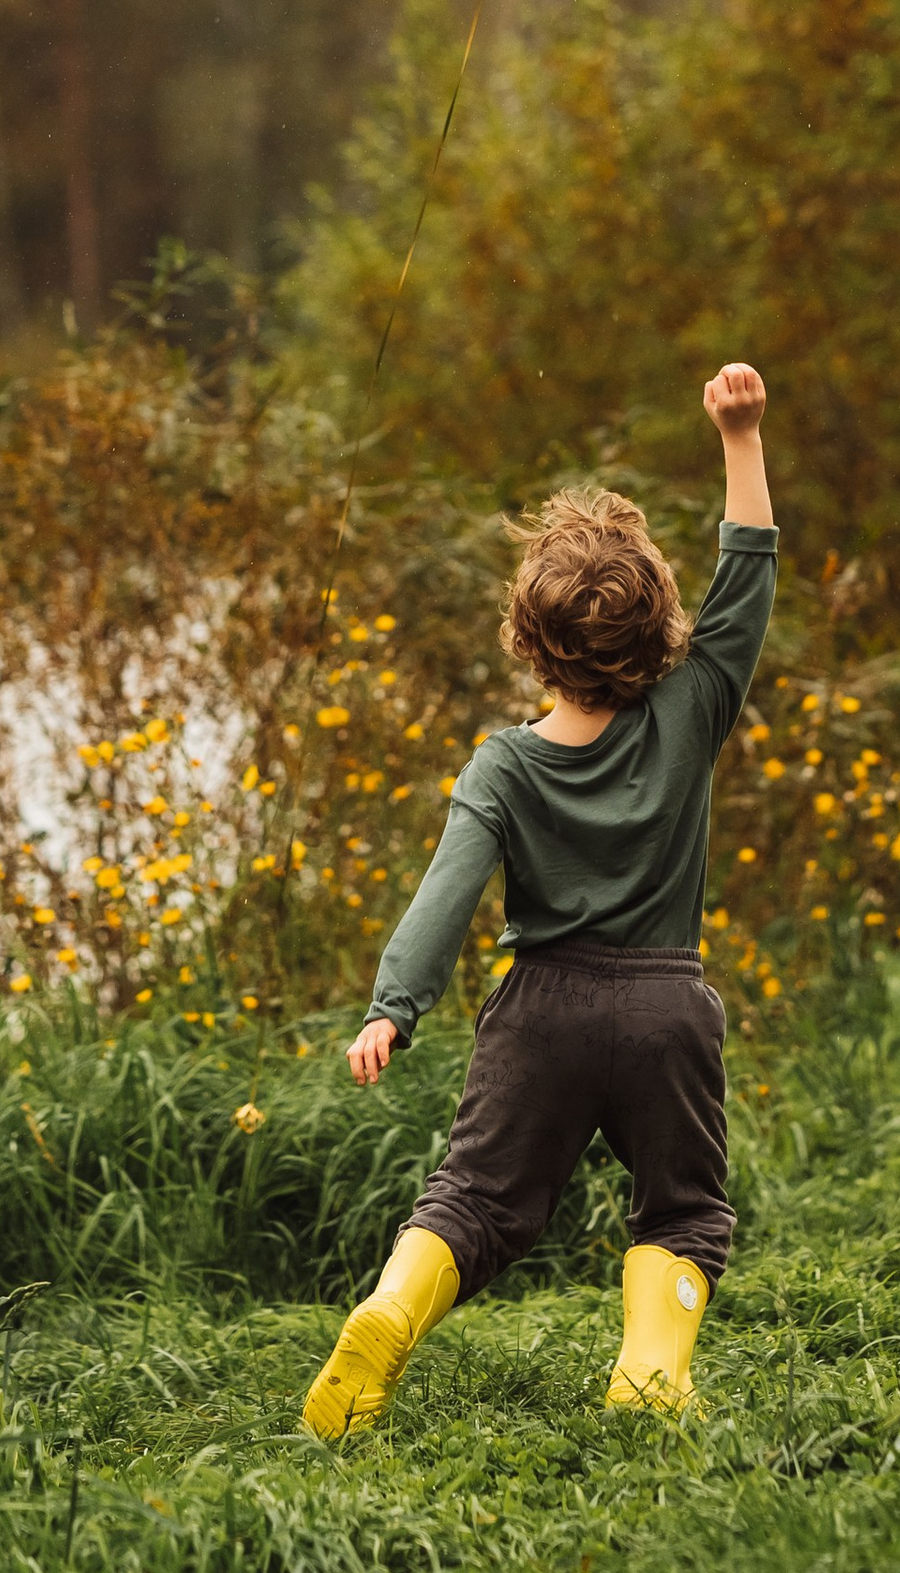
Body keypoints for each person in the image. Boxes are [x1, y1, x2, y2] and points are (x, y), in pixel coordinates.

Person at [301, 363, 776, 1438]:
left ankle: (389, 1310)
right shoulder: (695, 705)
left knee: (473, 1201)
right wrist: (740, 436)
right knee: (683, 1209)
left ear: (528, 634)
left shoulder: (501, 766)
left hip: (540, 1010)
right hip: (664, 1006)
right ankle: (649, 1374)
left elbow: (446, 892)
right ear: (662, 625)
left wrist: (392, 1008)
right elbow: (748, 574)